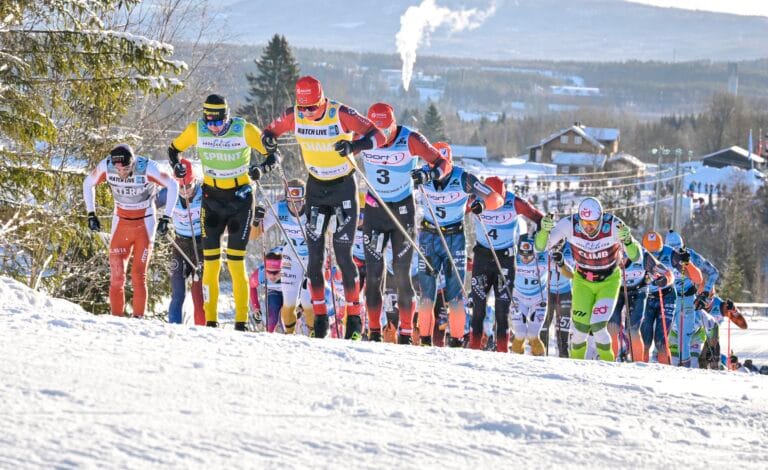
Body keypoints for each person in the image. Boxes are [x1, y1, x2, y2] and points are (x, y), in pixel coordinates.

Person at [261, 76, 387, 339]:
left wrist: (355, 145)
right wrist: (269, 142)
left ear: (322, 100)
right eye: (303, 108)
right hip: (316, 190)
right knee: (314, 257)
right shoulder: (294, 115)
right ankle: (319, 319)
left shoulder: (339, 113)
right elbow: (269, 133)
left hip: (343, 188)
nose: (307, 113)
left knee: (343, 255)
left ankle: (354, 319)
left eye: (312, 108)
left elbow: (380, 135)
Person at [167, 94, 272, 330]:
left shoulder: (243, 129)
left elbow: (272, 154)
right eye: (209, 122)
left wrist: (261, 169)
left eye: (218, 122)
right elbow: (173, 150)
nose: (213, 127)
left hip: (240, 199)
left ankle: (240, 322)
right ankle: (211, 321)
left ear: (227, 116)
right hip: (212, 199)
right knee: (211, 264)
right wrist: (175, 164)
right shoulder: (197, 130)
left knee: (235, 262)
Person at [360, 102, 451, 344]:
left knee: (402, 275)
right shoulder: (361, 135)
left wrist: (429, 174)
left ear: (392, 125)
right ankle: (374, 332)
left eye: (385, 132)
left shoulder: (410, 138)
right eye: (375, 132)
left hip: (402, 211)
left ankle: (407, 334)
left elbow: (443, 163)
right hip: (374, 211)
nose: (380, 138)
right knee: (373, 276)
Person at [416, 142, 503, 347]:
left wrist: (482, 204)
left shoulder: (463, 177)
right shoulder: (422, 174)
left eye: (442, 167)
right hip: (429, 235)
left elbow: (496, 198)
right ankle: (425, 341)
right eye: (433, 166)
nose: (438, 172)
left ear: (450, 164)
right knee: (426, 294)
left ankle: (456, 341)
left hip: (454, 237)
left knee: (454, 295)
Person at [534, 197, 642, 361]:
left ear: (601, 218)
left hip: (608, 281)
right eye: (584, 223)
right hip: (583, 281)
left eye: (593, 223)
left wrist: (627, 241)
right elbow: (539, 247)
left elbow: (637, 257)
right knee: (579, 331)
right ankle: (575, 365)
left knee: (598, 327)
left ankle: (609, 365)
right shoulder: (569, 224)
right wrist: (544, 231)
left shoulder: (613, 225)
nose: (589, 227)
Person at [83, 144, 179, 317]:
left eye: (126, 168)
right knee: (117, 276)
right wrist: (91, 213)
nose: (121, 173)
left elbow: (173, 185)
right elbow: (87, 183)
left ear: (133, 162)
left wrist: (167, 217)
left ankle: (138, 319)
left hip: (145, 224)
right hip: (121, 223)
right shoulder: (106, 165)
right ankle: (116, 319)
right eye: (117, 169)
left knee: (138, 274)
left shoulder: (148, 167)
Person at [468, 176, 543, 352]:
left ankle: (502, 352)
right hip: (482, 259)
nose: (497, 204)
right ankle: (473, 350)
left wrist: (543, 232)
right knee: (478, 309)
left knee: (502, 311)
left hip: (505, 261)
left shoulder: (514, 202)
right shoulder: (475, 200)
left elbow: (537, 216)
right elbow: (455, 212)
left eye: (500, 199)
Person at [252, 179, 314, 335]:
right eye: (291, 203)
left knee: (307, 302)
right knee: (289, 302)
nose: (295, 207)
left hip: (312, 257)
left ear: (305, 199)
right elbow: (254, 235)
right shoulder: (279, 209)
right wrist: (255, 220)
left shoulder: (313, 209)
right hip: (291, 256)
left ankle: (314, 333)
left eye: (299, 203)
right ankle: (289, 334)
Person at [641, 230, 703, 364]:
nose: (654, 255)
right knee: (647, 338)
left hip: (679, 297)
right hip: (654, 296)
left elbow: (698, 278)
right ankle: (649, 364)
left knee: (681, 339)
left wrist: (687, 263)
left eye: (678, 247)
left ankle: (683, 368)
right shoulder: (644, 254)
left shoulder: (677, 255)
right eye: (652, 253)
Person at [608, 237, 674, 362]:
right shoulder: (609, 255)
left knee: (632, 330)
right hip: (617, 289)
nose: (622, 262)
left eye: (624, 259)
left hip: (639, 291)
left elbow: (668, 273)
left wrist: (664, 280)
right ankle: (610, 362)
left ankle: (637, 363)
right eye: (619, 260)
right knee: (612, 326)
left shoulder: (643, 256)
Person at [156, 158, 204, 325]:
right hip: (180, 245)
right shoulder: (169, 192)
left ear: (195, 181)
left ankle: (204, 333)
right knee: (178, 294)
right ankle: (174, 329)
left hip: (201, 247)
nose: (184, 191)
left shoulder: (204, 192)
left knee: (199, 295)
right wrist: (159, 223)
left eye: (188, 186)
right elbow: (150, 205)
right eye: (181, 186)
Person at [509, 235, 549, 355]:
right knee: (520, 334)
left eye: (529, 255)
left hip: (538, 299)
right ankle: (514, 364)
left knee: (533, 335)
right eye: (522, 255)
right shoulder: (514, 257)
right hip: (518, 298)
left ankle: (541, 364)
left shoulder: (544, 257)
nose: (525, 258)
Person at [541, 240, 574, 358]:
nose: (557, 243)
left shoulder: (571, 247)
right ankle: (541, 351)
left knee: (563, 324)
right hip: (548, 291)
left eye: (560, 240)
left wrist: (562, 263)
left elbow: (573, 273)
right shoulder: (544, 246)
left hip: (564, 291)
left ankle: (563, 353)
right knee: (544, 323)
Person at [249, 250, 284, 333]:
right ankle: (269, 335)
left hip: (289, 288)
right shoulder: (260, 275)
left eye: (276, 272)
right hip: (273, 290)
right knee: (272, 313)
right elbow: (251, 286)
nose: (272, 276)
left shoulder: (290, 272)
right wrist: (256, 307)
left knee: (287, 315)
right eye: (269, 272)